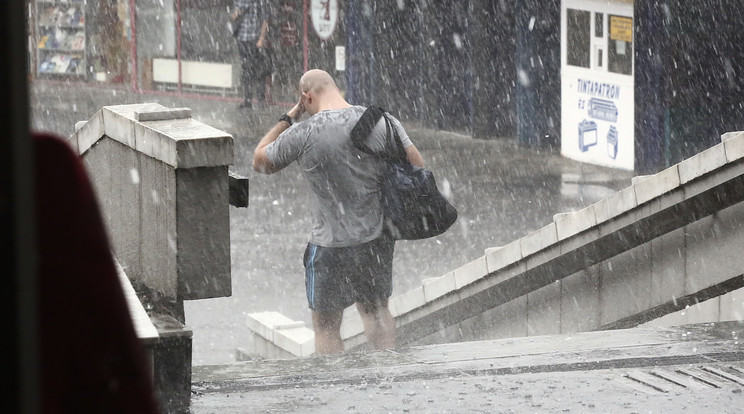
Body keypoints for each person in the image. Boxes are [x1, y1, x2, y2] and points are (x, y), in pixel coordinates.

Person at [252, 69, 425, 354]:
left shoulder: (304, 132)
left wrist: (289, 117)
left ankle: (333, 383)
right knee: (376, 311)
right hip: (374, 240)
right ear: (337, 89)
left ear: (306, 97)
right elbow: (417, 166)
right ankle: (386, 370)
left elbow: (260, 159)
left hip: (328, 246)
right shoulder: (381, 120)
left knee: (327, 326)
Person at [231, 0, 269, 109]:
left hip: (254, 39)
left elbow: (265, 20)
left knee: (258, 70)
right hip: (242, 38)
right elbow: (233, 17)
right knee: (246, 70)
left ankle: (261, 100)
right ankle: (247, 100)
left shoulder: (259, 2)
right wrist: (236, 13)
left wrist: (261, 39)